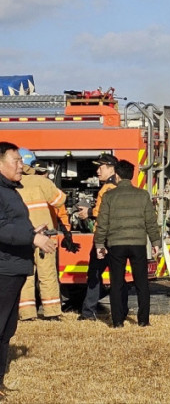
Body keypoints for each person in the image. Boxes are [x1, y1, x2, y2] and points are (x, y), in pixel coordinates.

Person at [0, 142, 57, 395]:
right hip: (3, 269)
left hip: (14, 266)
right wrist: (33, 239)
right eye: (16, 160)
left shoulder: (11, 190)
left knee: (7, 330)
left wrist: (30, 232)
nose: (21, 166)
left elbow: (11, 225)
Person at [94, 159, 161, 328]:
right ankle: (143, 320)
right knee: (142, 283)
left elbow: (103, 223)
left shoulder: (109, 196)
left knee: (117, 283)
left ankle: (117, 322)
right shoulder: (143, 195)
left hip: (116, 245)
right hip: (138, 244)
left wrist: (99, 244)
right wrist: (155, 242)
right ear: (131, 176)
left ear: (116, 175)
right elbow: (151, 222)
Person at [16, 149, 71, 321]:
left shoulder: (11, 183)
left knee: (26, 275)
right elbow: (59, 200)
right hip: (46, 236)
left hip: (22, 236)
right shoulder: (40, 180)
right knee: (47, 274)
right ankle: (52, 312)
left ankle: (26, 314)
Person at [80, 154, 119, 321]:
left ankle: (88, 312)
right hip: (117, 238)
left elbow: (103, 211)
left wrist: (87, 212)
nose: (97, 171)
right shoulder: (118, 186)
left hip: (103, 238)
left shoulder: (108, 188)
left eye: (100, 167)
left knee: (95, 275)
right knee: (116, 275)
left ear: (110, 168)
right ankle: (118, 311)